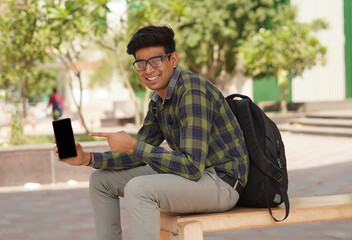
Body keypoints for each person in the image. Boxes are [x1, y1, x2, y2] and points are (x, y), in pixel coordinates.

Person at [56, 26, 249, 240]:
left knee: (139, 189)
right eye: (141, 63)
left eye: (155, 61)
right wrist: (87, 158)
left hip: (221, 183)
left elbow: (192, 166)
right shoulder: (158, 100)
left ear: (172, 60)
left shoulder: (192, 91)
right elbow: (137, 155)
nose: (148, 70)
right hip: (195, 177)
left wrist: (132, 145)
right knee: (101, 181)